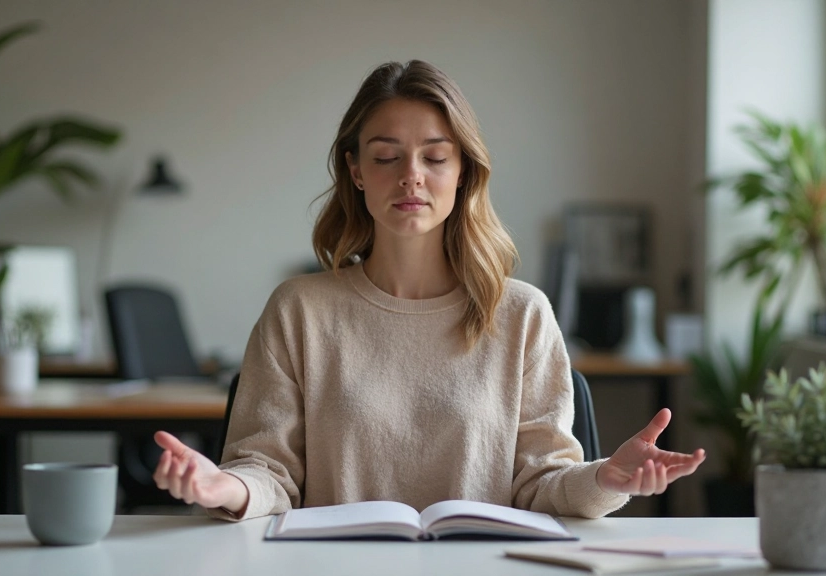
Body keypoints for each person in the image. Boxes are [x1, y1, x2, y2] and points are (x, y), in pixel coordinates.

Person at [152, 60, 705, 521]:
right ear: (357, 170)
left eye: (435, 157)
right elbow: (267, 471)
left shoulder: (521, 314)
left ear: (463, 170)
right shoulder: (299, 310)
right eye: (386, 157)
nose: (411, 176)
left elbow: (545, 484)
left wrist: (608, 478)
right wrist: (223, 487)